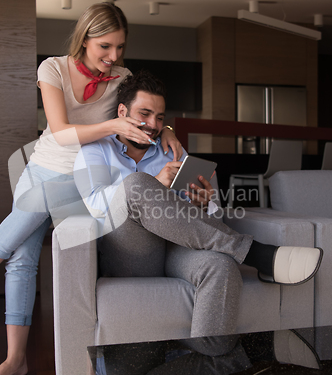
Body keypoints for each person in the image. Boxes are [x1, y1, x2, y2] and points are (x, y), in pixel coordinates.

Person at [0, 3, 183, 375]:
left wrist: (166, 127)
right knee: (22, 256)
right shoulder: (51, 69)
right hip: (45, 168)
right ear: (85, 38)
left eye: (119, 47)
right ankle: (15, 360)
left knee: (35, 208)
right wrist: (113, 125)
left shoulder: (123, 76)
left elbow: (143, 109)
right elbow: (61, 132)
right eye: (105, 46)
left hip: (87, 177)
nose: (113, 57)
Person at [74, 70, 323, 338]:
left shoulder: (173, 151)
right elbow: (96, 207)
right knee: (135, 184)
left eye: (159, 118)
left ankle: (206, 363)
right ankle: (255, 254)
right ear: (122, 112)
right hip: (130, 250)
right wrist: (155, 182)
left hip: (177, 249)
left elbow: (208, 213)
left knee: (222, 267)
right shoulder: (95, 150)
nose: (152, 124)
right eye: (144, 114)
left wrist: (205, 204)